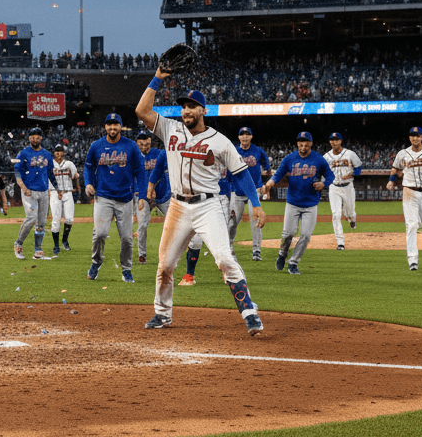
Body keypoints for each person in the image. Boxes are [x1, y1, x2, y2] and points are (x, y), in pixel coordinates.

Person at [134, 73, 265, 335]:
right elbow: (142, 111)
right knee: (165, 265)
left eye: (192, 106)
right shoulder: (170, 129)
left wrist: (256, 203)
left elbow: (241, 173)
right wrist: (157, 78)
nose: (186, 111)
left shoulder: (220, 141)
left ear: (203, 111)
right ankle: (162, 313)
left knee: (224, 258)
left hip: (208, 206)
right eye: (184, 106)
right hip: (178, 206)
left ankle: (249, 312)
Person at [262, 132, 336, 276]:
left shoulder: (318, 159)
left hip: (311, 204)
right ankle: (282, 254)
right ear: (297, 144)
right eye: (301, 144)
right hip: (293, 202)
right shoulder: (290, 158)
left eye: (306, 144)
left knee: (306, 236)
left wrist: (323, 184)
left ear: (311, 144)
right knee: (288, 233)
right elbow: (278, 175)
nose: (303, 147)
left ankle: (293, 262)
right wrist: (269, 184)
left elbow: (330, 176)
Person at [83, 113, 144, 283]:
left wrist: (142, 195)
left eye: (115, 124)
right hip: (103, 196)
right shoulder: (96, 146)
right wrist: (88, 183)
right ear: (105, 127)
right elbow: (88, 167)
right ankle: (96, 262)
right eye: (109, 124)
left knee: (127, 238)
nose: (112, 128)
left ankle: (126, 269)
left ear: (120, 127)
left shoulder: (131, 146)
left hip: (125, 198)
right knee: (100, 233)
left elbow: (140, 171)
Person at [386, 126, 422, 272]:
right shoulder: (402, 153)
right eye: (412, 135)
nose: (415, 138)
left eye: (417, 136)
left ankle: (414, 224)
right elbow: (395, 169)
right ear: (409, 137)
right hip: (409, 192)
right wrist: (391, 181)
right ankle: (413, 260)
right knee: (411, 225)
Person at [12, 127, 60, 260]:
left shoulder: (47, 154)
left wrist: (58, 188)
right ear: (29, 138)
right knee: (31, 218)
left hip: (43, 191)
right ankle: (18, 243)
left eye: (38, 136)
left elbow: (50, 173)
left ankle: (38, 250)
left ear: (41, 138)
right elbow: (17, 172)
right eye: (32, 136)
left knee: (41, 222)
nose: (35, 138)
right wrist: (23, 187)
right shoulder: (23, 153)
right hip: (29, 191)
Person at [232, 127, 271, 261]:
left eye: (247, 134)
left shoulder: (258, 151)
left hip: (254, 192)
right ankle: (228, 248)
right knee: (232, 222)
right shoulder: (234, 151)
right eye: (242, 134)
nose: (245, 136)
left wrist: (264, 183)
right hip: (237, 192)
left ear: (251, 137)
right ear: (239, 137)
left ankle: (256, 251)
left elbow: (267, 167)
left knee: (255, 220)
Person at [322, 133, 362, 250]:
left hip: (348, 187)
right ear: (330, 142)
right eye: (332, 140)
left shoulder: (350, 154)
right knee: (336, 214)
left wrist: (352, 174)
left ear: (340, 141)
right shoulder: (326, 157)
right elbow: (322, 171)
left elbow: (358, 167)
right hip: (334, 187)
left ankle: (352, 219)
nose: (334, 142)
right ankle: (340, 243)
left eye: (336, 140)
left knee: (350, 212)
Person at [134, 130, 163, 265]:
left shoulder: (159, 154)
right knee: (142, 225)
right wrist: (138, 193)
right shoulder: (133, 157)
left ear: (150, 142)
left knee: (175, 221)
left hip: (161, 194)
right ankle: (142, 254)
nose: (144, 147)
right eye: (141, 144)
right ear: (137, 143)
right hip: (142, 196)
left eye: (146, 144)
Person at [49, 145, 80, 256]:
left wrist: (78, 188)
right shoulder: (50, 164)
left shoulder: (69, 164)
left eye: (60, 151)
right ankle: (56, 245)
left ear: (63, 153)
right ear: (54, 153)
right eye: (56, 151)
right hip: (54, 193)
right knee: (56, 220)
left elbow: (75, 176)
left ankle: (65, 240)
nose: (58, 153)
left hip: (67, 192)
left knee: (70, 219)